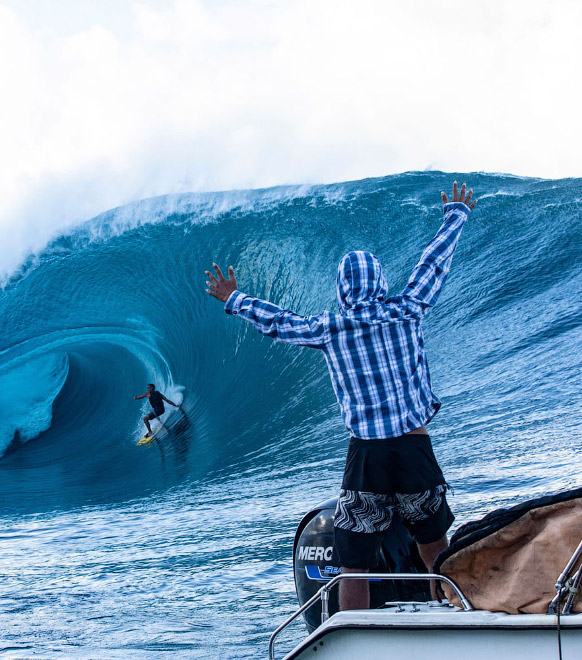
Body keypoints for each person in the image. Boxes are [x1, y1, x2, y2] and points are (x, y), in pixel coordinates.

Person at [204, 181, 477, 611]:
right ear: (380, 282)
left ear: (342, 289)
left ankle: (356, 635)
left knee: (355, 559)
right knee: (433, 543)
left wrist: (234, 298)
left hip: (368, 455)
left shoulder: (332, 327)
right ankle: (455, 615)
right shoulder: (406, 311)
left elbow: (280, 322)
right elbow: (432, 265)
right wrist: (455, 215)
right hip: (414, 445)